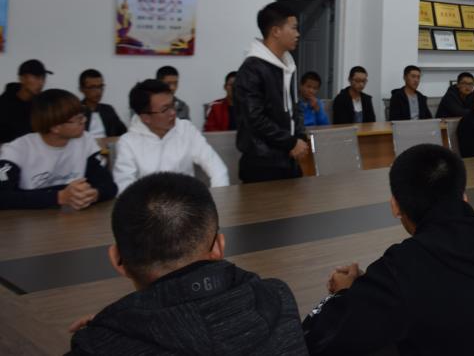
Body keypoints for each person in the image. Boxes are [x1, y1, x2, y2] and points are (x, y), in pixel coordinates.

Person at [302, 144, 474, 356]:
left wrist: (343, 293)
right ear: (464, 197)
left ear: (395, 206)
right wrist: (372, 286)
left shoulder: (402, 266)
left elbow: (316, 340)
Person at [67, 173, 307, 355]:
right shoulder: (277, 298)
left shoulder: (96, 345)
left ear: (117, 259)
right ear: (218, 246)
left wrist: (111, 326)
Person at [0, 88, 117, 209]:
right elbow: (3, 197)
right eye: (78, 119)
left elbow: (109, 186)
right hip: (28, 218)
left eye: (83, 116)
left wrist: (94, 194)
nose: (84, 121)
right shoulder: (17, 150)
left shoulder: (85, 141)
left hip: (73, 217)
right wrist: (59, 197)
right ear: (55, 127)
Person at [234, 2, 310, 183]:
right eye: (293, 28)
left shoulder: (287, 65)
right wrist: (290, 142)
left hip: (288, 158)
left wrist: (299, 138)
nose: (298, 34)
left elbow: (295, 107)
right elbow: (255, 118)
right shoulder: (252, 68)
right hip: (262, 162)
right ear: (276, 31)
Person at [113, 80, 230, 192]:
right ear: (145, 118)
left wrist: (218, 199)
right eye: (165, 109)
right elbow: (124, 188)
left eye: (173, 105)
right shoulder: (128, 143)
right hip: (148, 204)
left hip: (187, 202)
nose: (173, 113)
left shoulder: (186, 130)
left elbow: (218, 169)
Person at [0, 59, 51, 143]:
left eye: (43, 78)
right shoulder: (4, 105)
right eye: (37, 77)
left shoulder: (42, 104)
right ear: (22, 78)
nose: (41, 83)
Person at [79, 69, 127, 140]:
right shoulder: (76, 111)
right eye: (93, 87)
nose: (98, 91)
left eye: (100, 86)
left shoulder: (108, 110)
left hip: (108, 146)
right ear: (82, 89)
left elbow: (123, 133)